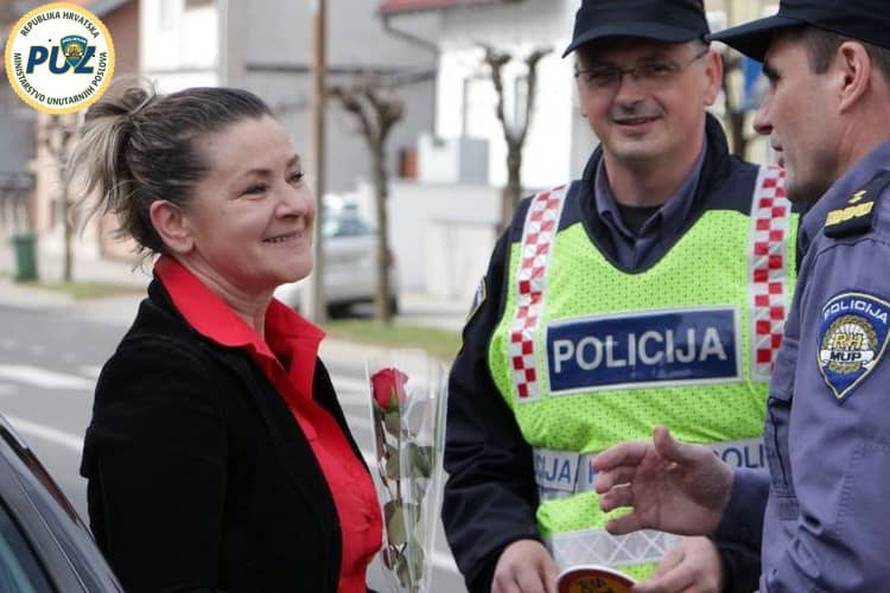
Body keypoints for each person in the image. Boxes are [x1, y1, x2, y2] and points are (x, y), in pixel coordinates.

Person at [441, 0, 799, 591]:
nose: (628, 95)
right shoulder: (531, 237)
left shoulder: (790, 221)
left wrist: (736, 556)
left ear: (710, 75)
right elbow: (479, 446)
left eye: (656, 67)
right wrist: (502, 543)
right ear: (581, 91)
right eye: (603, 73)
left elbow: (845, 464)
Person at [593, 1, 890, 591]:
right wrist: (734, 501)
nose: (761, 117)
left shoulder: (864, 249)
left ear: (850, 74)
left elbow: (847, 562)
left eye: (776, 79)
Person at [73, 85, 382, 593]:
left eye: (295, 176)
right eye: (255, 190)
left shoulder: (286, 352)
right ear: (175, 224)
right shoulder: (160, 380)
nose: (294, 205)